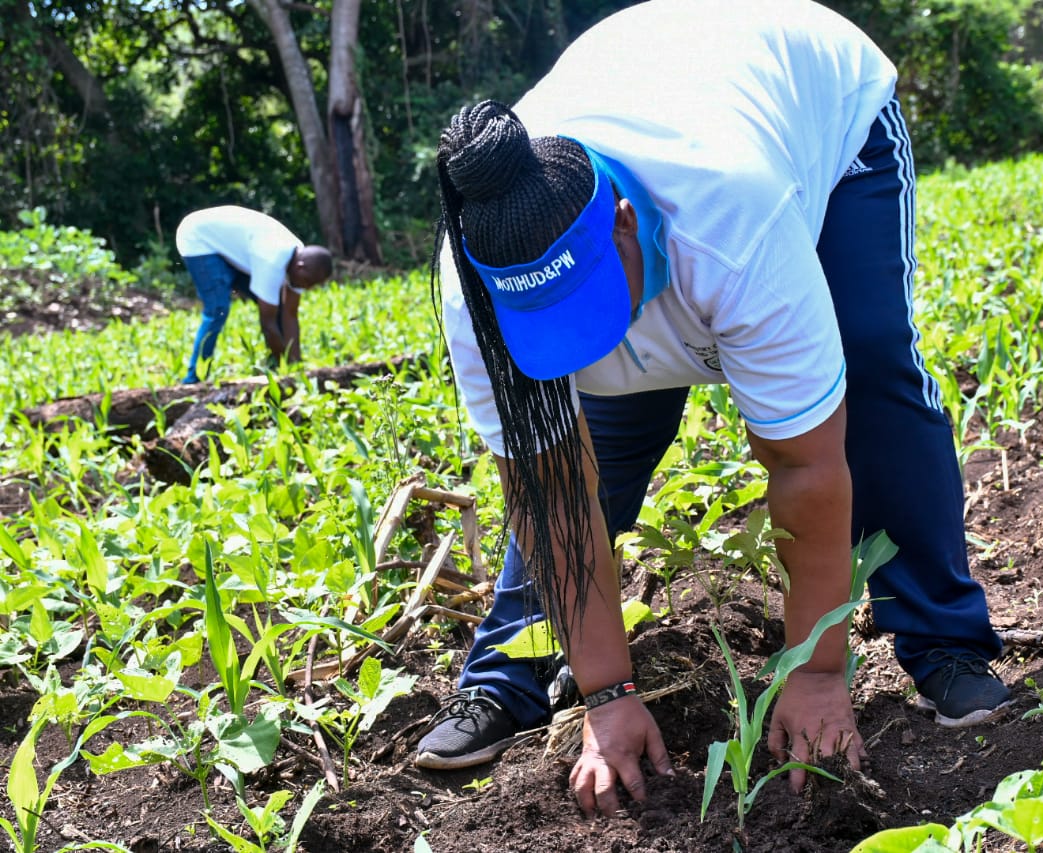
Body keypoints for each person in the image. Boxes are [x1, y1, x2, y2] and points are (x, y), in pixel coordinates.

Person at [418, 0, 1012, 818]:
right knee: (597, 441)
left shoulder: (735, 220)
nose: (590, 351)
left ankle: (944, 640)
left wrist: (814, 672)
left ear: (623, 226)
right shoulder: (475, 286)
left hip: (819, 119)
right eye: (554, 332)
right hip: (669, 131)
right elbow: (550, 492)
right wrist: (607, 695)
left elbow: (805, 466)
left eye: (591, 313)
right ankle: (509, 669)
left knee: (872, 370)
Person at [174, 205, 333, 384]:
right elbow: (267, 324)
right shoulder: (272, 261)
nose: (307, 288)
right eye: (308, 283)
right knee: (217, 309)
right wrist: (287, 372)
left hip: (234, 248)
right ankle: (194, 379)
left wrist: (296, 366)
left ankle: (275, 366)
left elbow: (290, 315)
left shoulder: (304, 262)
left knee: (278, 308)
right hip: (198, 238)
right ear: (300, 267)